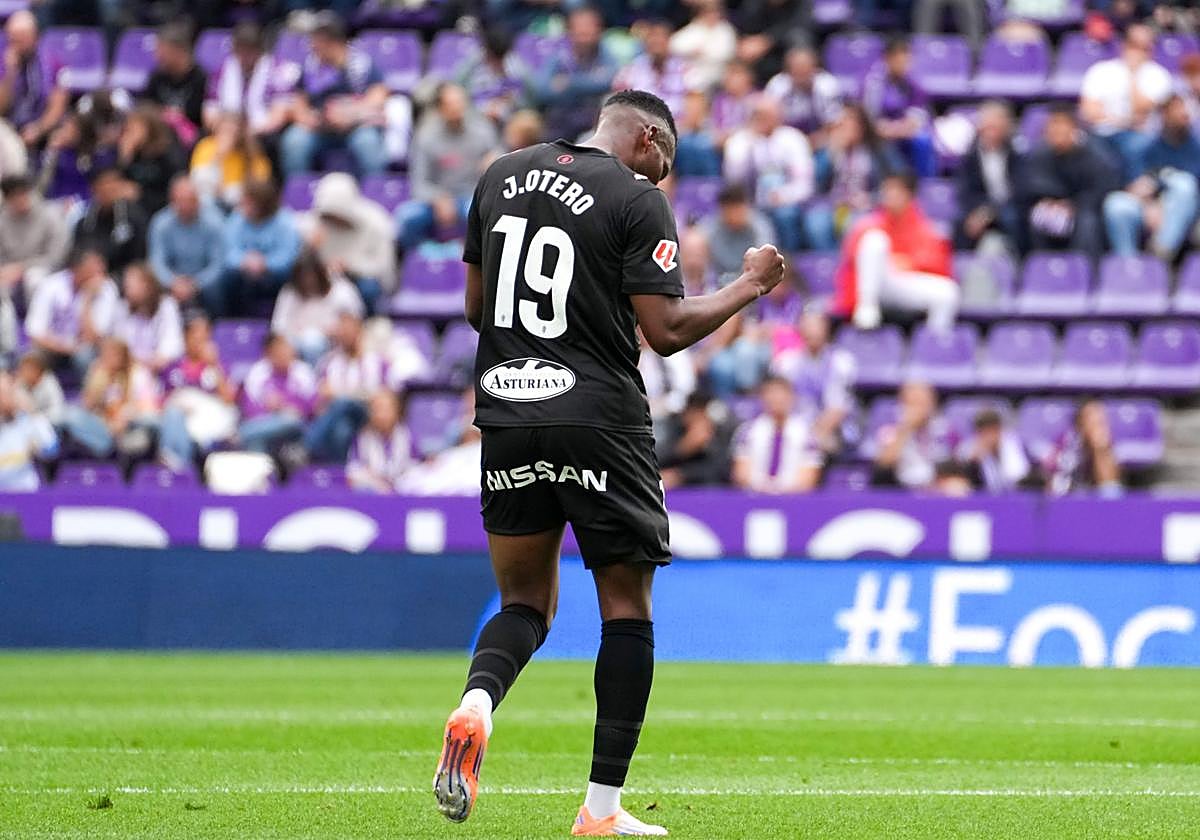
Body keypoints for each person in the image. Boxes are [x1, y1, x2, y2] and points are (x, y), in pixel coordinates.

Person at [433, 89, 785, 836]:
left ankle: (477, 703)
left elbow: (475, 304)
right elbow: (665, 330)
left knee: (526, 603)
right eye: (667, 162)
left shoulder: (499, 173)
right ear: (649, 138)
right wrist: (751, 283)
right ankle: (600, 811)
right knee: (625, 609)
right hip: (600, 422)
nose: (662, 177)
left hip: (506, 414)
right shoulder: (633, 197)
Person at [833, 172, 958, 332]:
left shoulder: (924, 227)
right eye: (887, 190)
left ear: (909, 195)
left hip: (902, 284)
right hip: (872, 285)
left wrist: (910, 263)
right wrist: (892, 260)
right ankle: (867, 310)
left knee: (948, 293)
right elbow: (851, 257)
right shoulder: (869, 224)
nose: (890, 195)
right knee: (874, 240)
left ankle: (932, 344)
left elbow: (936, 262)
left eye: (896, 190)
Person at [278, 13, 389, 177]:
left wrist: (349, 115)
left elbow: (379, 96)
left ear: (333, 42)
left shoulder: (361, 64)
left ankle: (375, 194)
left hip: (355, 127)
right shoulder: (311, 65)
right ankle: (298, 194)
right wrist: (309, 119)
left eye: (317, 41)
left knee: (368, 143)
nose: (312, 45)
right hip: (320, 128)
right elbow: (299, 101)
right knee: (295, 141)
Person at [396, 83, 500, 250]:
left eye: (460, 102)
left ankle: (476, 263)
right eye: (450, 104)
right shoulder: (426, 136)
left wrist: (495, 161)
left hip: (472, 195)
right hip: (437, 198)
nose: (457, 108)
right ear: (440, 108)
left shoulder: (481, 129)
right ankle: (422, 260)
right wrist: (438, 198)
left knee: (477, 215)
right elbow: (419, 183)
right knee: (407, 217)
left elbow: (500, 156)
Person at [1103, 95, 1200, 261]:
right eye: (1176, 111)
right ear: (1163, 115)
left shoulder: (1196, 147)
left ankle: (1161, 252)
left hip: (1188, 210)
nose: (1183, 116)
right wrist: (1149, 205)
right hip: (1148, 207)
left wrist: (1164, 204)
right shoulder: (1144, 146)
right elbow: (1135, 185)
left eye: (1184, 112)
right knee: (1116, 204)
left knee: (1184, 185)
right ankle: (1129, 266)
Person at [1020, 104, 1120, 258]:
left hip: (1085, 208)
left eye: (1061, 126)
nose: (1056, 131)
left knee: (1088, 223)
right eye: (1053, 126)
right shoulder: (1041, 153)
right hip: (1053, 206)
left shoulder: (1093, 153)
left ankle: (1085, 271)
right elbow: (1034, 185)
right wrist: (1051, 201)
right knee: (1038, 217)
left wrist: (1074, 205)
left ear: (1073, 128)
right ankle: (1043, 269)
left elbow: (1103, 187)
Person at [304, 309, 403, 463]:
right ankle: (340, 474)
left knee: (344, 402)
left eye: (348, 329)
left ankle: (307, 445)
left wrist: (340, 394)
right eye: (341, 330)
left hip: (368, 414)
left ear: (359, 330)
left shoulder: (377, 361)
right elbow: (318, 399)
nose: (345, 334)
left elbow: (387, 395)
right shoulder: (329, 363)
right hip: (340, 418)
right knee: (342, 431)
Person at [1079, 23, 1172, 182]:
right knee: (1086, 148)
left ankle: (1135, 189)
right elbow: (1089, 111)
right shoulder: (1101, 70)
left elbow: (1140, 109)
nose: (1138, 51)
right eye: (1134, 45)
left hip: (1140, 135)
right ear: (1124, 45)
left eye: (1145, 47)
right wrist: (1123, 121)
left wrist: (1133, 75)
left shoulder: (1159, 75)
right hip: (1101, 133)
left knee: (1136, 146)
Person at [723, 94, 815, 251]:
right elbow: (733, 179)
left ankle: (787, 261)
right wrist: (751, 142)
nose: (763, 119)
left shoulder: (793, 139)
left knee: (785, 215)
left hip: (785, 203)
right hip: (750, 203)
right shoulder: (740, 141)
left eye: (768, 115)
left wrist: (784, 195)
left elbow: (805, 184)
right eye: (758, 114)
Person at [806, 102, 903, 250]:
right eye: (843, 126)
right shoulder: (831, 151)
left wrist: (872, 198)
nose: (847, 130)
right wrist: (831, 152)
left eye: (852, 125)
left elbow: (897, 181)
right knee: (816, 224)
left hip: (866, 205)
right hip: (833, 204)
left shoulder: (879, 150)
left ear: (862, 127)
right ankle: (827, 265)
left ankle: (848, 265)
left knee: (853, 226)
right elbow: (817, 182)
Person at [771, 305, 857, 457]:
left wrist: (811, 437)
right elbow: (781, 402)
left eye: (817, 326)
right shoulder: (786, 362)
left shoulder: (842, 361)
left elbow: (838, 408)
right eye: (807, 327)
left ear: (826, 329)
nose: (812, 332)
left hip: (831, 430)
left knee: (822, 444)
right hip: (794, 427)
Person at [303, 172, 395, 311]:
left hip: (361, 280)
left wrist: (350, 266)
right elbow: (300, 267)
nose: (334, 220)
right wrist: (311, 249)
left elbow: (383, 267)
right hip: (324, 279)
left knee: (369, 288)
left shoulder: (377, 222)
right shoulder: (314, 224)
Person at [157, 314, 238, 470]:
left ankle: (177, 466)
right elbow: (162, 402)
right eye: (195, 336)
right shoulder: (173, 368)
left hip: (210, 422)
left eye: (205, 337)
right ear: (185, 338)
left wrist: (214, 365)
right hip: (180, 421)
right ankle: (179, 466)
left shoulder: (217, 367)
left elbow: (229, 400)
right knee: (173, 415)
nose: (200, 341)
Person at [529, 6, 620, 141]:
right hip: (560, 119)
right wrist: (590, 83)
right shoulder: (559, 55)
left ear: (599, 30)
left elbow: (610, 81)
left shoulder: (606, 53)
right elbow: (542, 89)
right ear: (569, 30)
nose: (584, 32)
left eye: (589, 27)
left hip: (593, 120)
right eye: (579, 27)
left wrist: (569, 83)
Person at [61, 336, 160, 459]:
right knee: (70, 415)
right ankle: (106, 446)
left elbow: (148, 407)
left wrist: (125, 416)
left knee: (149, 421)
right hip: (104, 426)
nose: (106, 359)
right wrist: (98, 383)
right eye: (104, 355)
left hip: (130, 425)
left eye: (112, 355)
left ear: (122, 356)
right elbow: (87, 405)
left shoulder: (138, 373)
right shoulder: (97, 370)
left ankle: (115, 447)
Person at [24, 248, 118, 377]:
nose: (100, 274)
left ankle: (88, 395)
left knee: (84, 356)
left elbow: (95, 338)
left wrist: (87, 300)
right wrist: (64, 347)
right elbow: (35, 331)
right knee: (32, 356)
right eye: (94, 269)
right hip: (54, 345)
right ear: (77, 269)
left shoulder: (107, 289)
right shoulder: (51, 284)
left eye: (101, 268)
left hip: (86, 349)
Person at [216, 178, 302, 317]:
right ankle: (231, 322)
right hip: (243, 274)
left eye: (248, 202)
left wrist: (265, 264)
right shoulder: (237, 218)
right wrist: (245, 261)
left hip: (274, 277)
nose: (243, 206)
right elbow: (228, 252)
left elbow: (288, 256)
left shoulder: (285, 221)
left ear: (262, 204)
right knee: (225, 278)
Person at [270, 248, 365, 365]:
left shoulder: (342, 290)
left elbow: (355, 323)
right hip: (294, 347)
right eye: (303, 278)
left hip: (334, 345)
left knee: (312, 341)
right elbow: (278, 327)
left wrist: (335, 331)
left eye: (312, 277)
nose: (308, 282)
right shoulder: (289, 292)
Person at [731, 376, 823, 493]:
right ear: (762, 398)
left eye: (781, 394)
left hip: (794, 499)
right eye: (771, 394)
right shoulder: (747, 431)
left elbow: (809, 478)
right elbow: (741, 474)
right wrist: (765, 489)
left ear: (792, 397)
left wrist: (781, 491)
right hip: (754, 496)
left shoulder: (807, 434)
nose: (777, 399)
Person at [955, 101, 1025, 254]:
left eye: (995, 127)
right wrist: (979, 211)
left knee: (1013, 218)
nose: (991, 132)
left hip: (1008, 206)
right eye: (987, 126)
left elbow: (1020, 189)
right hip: (980, 206)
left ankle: (1018, 266)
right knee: (960, 223)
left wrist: (991, 211)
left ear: (1006, 128)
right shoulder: (970, 157)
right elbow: (966, 190)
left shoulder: (1018, 154)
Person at [148, 175, 225, 311]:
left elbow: (218, 265)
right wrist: (172, 282)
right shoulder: (160, 223)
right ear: (172, 201)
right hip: (172, 283)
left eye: (191, 201)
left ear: (198, 200)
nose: (186, 206)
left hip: (204, 285)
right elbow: (157, 262)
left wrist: (195, 284)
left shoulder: (214, 222)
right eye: (181, 201)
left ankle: (217, 325)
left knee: (219, 285)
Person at [862, 36, 935, 177]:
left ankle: (924, 186)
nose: (904, 65)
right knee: (879, 144)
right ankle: (900, 184)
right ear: (887, 59)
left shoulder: (913, 85)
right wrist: (884, 130)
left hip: (902, 135)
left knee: (923, 141)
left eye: (907, 60)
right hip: (878, 137)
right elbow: (868, 121)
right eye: (899, 60)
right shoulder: (873, 83)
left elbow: (915, 121)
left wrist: (894, 129)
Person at [237, 332, 317, 455]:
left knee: (290, 420)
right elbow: (248, 408)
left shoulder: (303, 371)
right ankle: (263, 473)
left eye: (286, 349)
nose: (284, 354)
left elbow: (312, 406)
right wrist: (267, 406)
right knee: (257, 440)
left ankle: (240, 434)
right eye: (278, 351)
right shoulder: (258, 372)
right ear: (268, 354)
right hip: (268, 424)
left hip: (298, 426)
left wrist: (284, 404)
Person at [0, 11, 68, 149]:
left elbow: (58, 107)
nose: (16, 45)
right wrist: (10, 74)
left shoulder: (53, 63)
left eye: (21, 39)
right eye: (12, 40)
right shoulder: (4, 64)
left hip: (42, 127)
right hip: (8, 130)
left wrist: (39, 129)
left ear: (35, 37)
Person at [872, 380, 952, 490]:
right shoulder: (890, 430)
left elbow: (954, 463)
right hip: (900, 487)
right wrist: (906, 428)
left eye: (924, 403)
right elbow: (884, 464)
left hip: (936, 485)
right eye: (913, 403)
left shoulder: (945, 429)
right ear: (902, 405)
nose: (920, 409)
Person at [0, 173, 70, 297]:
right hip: (11, 271)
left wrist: (22, 268)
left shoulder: (50, 214)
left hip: (46, 269)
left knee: (34, 279)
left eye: (23, 193)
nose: (20, 199)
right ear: (7, 200)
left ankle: (38, 317)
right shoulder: (3, 220)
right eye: (14, 196)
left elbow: (56, 257)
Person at [189, 111, 272, 210]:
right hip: (211, 203)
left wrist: (229, 193)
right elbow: (199, 182)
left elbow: (260, 188)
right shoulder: (205, 147)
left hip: (240, 205)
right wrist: (218, 157)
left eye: (232, 132)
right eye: (224, 131)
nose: (228, 136)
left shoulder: (253, 153)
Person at [117, 104, 187, 218]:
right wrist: (124, 159)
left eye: (135, 127)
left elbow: (174, 188)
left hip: (163, 209)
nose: (131, 132)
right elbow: (117, 184)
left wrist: (140, 194)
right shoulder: (131, 152)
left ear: (149, 128)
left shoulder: (168, 153)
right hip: (134, 210)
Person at [73, 167, 148, 274]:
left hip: (123, 275)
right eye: (103, 185)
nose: (109, 190)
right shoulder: (85, 223)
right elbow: (78, 254)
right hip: (91, 275)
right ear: (94, 189)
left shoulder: (134, 217)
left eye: (113, 185)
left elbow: (139, 257)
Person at [112, 262, 183, 373]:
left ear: (145, 285)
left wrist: (158, 360)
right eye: (126, 285)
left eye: (130, 285)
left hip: (160, 367)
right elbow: (118, 342)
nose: (126, 289)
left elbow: (173, 341)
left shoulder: (167, 305)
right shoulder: (122, 308)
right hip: (130, 367)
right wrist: (135, 362)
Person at [613, 18, 691, 117]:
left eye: (661, 36)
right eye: (652, 37)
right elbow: (619, 104)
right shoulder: (631, 70)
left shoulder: (686, 69)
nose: (656, 41)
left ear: (669, 40)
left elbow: (695, 108)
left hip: (679, 126)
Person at [1044, 398, 1122, 497]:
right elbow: (1055, 489)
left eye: (1101, 421)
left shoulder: (1106, 446)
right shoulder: (1068, 443)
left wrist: (1100, 451)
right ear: (1080, 424)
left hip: (1095, 500)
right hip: (1070, 499)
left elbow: (1110, 489)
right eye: (1092, 421)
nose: (1098, 426)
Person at [701, 182, 778, 281]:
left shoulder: (760, 227)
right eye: (729, 210)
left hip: (752, 282)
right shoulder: (710, 229)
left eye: (737, 209)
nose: (733, 215)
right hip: (717, 283)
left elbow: (764, 262)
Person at [35, 110, 117, 204]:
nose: (63, 132)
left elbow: (91, 186)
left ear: (80, 132)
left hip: (81, 202)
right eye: (64, 128)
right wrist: (51, 150)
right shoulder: (60, 153)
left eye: (69, 129)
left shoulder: (95, 156)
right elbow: (42, 180)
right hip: (54, 201)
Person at [656, 390, 734, 489]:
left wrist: (681, 475)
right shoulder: (676, 429)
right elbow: (656, 458)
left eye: (700, 412)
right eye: (691, 412)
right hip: (676, 495)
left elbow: (721, 470)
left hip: (708, 493)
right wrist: (682, 448)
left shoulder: (721, 433)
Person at [144, 22, 208, 141]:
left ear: (178, 51)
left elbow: (200, 117)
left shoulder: (201, 78)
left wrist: (178, 119)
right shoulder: (156, 76)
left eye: (162, 52)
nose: (157, 57)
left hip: (192, 138)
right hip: (161, 136)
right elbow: (147, 107)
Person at [763, 46, 842, 140]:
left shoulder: (827, 85)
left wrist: (812, 142)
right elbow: (768, 120)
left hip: (821, 139)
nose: (801, 72)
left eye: (805, 68)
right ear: (788, 70)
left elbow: (834, 123)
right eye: (796, 68)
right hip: (785, 139)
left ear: (815, 68)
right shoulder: (777, 85)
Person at [454, 26, 528, 125]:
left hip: (509, 122)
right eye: (493, 58)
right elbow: (455, 90)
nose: (497, 63)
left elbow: (530, 102)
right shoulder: (471, 65)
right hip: (474, 119)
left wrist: (511, 102)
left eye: (501, 58)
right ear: (486, 51)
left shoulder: (518, 68)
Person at [0, 370, 57, 492]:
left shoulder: (28, 421)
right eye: (3, 393)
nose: (6, 398)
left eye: (9, 392)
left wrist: (32, 412)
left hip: (25, 495)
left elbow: (51, 448)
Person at [346, 389, 412, 493]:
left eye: (387, 409)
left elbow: (415, 466)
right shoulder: (362, 437)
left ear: (397, 411)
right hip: (374, 488)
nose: (382, 414)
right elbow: (353, 471)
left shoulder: (407, 435)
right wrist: (378, 482)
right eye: (377, 409)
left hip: (402, 486)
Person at [669, 0, 737, 91]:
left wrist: (704, 53)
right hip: (693, 71)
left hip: (718, 73)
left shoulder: (725, 30)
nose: (712, 16)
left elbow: (726, 53)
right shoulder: (695, 28)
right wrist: (691, 51)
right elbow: (674, 45)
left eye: (714, 13)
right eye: (708, 13)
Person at [958, 408, 1029, 493]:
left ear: (999, 430)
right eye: (984, 431)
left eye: (993, 430)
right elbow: (968, 486)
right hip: (983, 501)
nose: (990, 436)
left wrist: (996, 454)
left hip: (1012, 497)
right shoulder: (968, 449)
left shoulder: (1013, 445)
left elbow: (1020, 479)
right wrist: (974, 464)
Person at [14, 350, 65, 425]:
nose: (25, 373)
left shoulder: (49, 381)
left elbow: (58, 409)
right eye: (23, 369)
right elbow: (21, 412)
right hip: (31, 424)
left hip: (50, 421)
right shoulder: (19, 384)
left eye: (29, 369)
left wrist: (41, 419)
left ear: (38, 370)